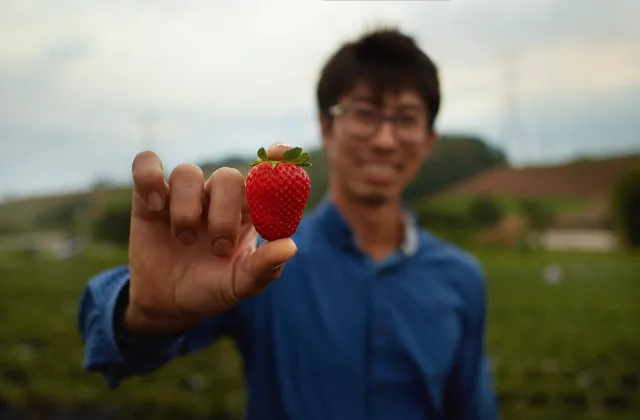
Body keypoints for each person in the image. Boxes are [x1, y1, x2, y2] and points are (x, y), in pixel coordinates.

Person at [78, 27, 498, 419]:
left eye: (406, 119)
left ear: (428, 140)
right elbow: (118, 352)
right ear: (325, 127)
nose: (385, 139)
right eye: (365, 113)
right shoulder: (258, 262)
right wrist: (144, 314)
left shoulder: (462, 278)